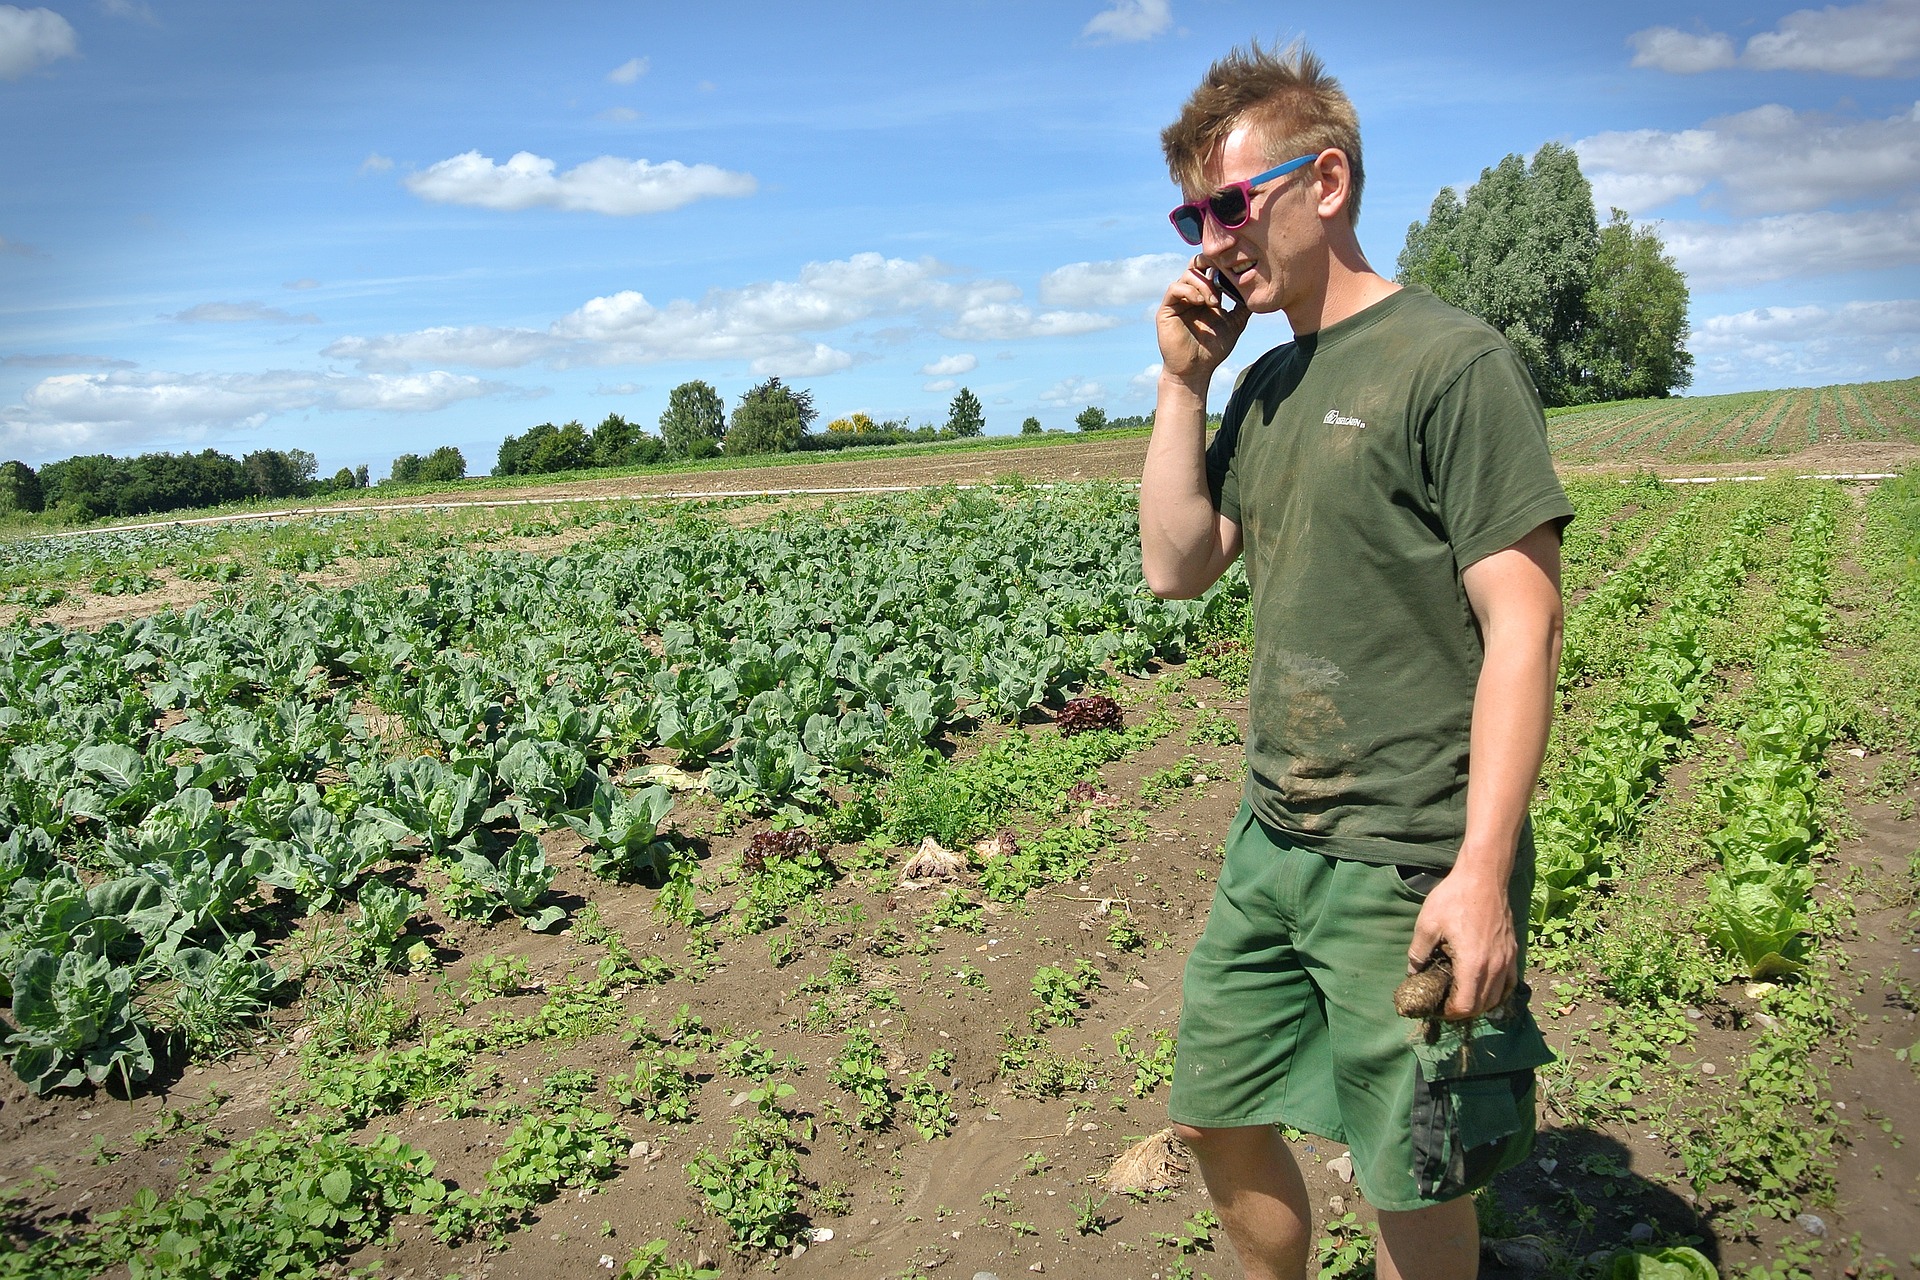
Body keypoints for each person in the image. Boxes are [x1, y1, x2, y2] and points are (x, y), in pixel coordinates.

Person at [1139, 40, 1574, 1280]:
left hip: (1407, 855)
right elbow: (1178, 563)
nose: (1211, 238)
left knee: (1408, 1177)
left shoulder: (1454, 362)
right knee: (1213, 1112)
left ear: (1325, 181)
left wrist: (1480, 869)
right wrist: (1183, 385)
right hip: (1272, 836)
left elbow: (1525, 624)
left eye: (1230, 204)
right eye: (1191, 214)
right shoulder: (1264, 383)